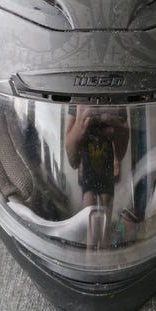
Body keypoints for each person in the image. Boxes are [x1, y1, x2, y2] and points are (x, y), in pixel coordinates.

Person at [65, 105, 129, 247]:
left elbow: (121, 151)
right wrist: (81, 123)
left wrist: (114, 123)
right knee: (91, 223)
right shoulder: (79, 104)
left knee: (104, 225)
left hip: (105, 167)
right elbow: (72, 157)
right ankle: (93, 252)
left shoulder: (116, 106)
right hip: (89, 168)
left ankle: (101, 253)